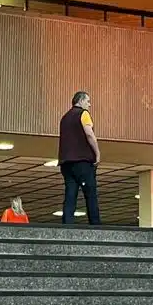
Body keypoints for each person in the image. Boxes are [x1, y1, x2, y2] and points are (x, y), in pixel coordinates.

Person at [57, 90, 101, 226]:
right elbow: (89, 134)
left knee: (70, 194)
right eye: (88, 101)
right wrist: (97, 153)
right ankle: (95, 224)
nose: (89, 104)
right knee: (90, 193)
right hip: (82, 161)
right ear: (80, 101)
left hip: (66, 162)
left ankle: (67, 223)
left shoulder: (64, 118)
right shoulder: (83, 114)